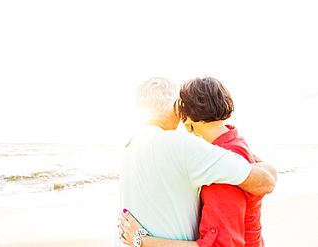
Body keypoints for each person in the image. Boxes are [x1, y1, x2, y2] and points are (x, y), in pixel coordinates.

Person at [115, 77, 276, 247]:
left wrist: (143, 240)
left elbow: (221, 245)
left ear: (183, 112)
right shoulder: (231, 145)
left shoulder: (217, 164)